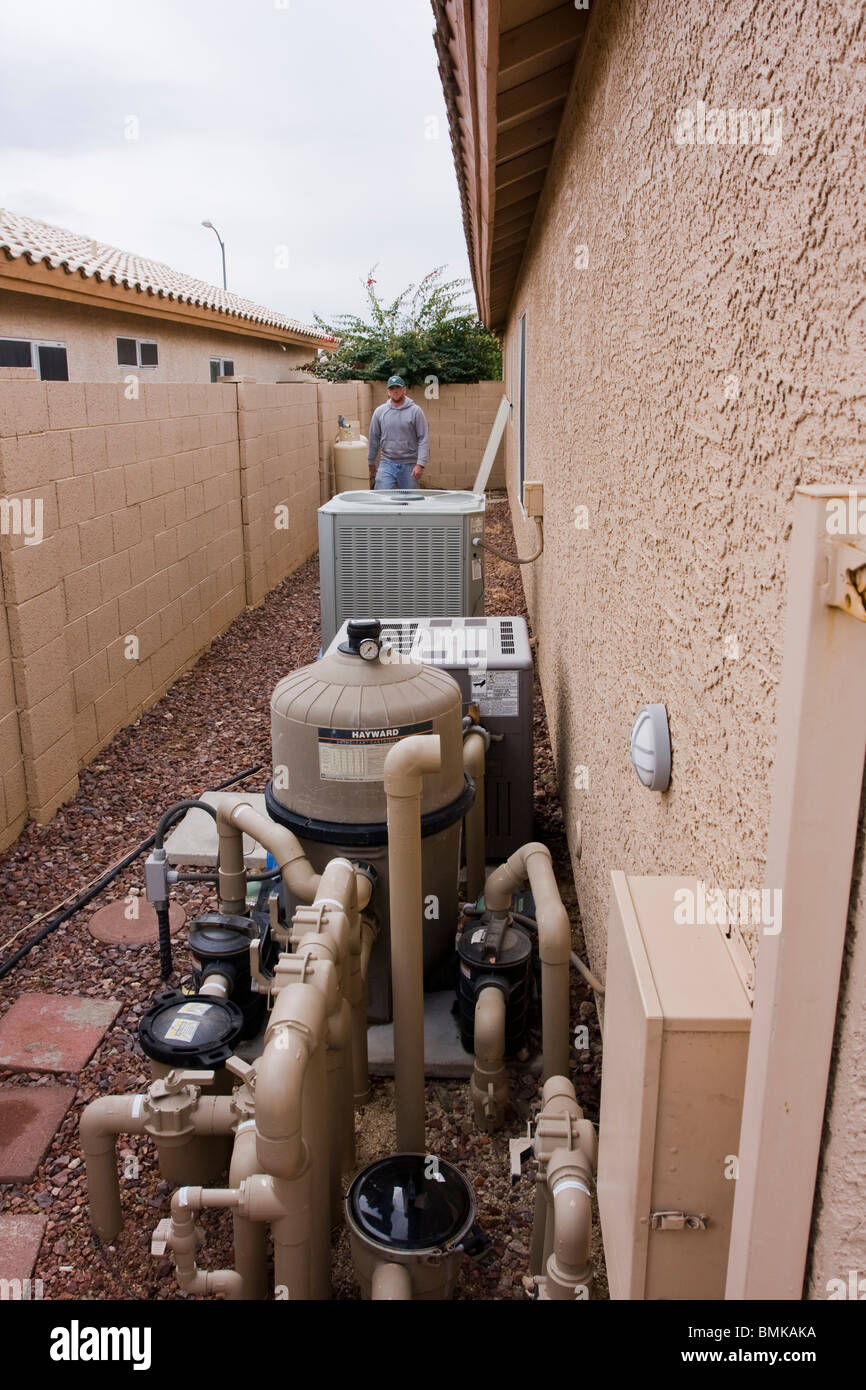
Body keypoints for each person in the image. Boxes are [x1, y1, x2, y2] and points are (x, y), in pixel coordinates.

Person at [367, 376, 429, 489]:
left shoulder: (415, 411)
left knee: (411, 500)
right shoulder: (380, 412)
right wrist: (371, 461)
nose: (395, 391)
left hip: (409, 464)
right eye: (392, 388)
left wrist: (420, 464)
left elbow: (423, 438)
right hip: (387, 462)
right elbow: (374, 438)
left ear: (404, 390)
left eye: (398, 388)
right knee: (382, 498)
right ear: (388, 392)